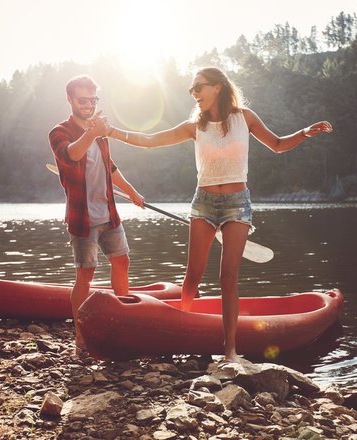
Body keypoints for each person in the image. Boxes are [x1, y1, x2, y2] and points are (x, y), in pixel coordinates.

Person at [103, 67, 333, 362]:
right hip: (204, 203)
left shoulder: (245, 118)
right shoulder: (193, 126)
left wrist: (303, 133)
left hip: (238, 203)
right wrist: (111, 131)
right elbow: (150, 140)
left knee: (228, 278)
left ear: (218, 88)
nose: (194, 93)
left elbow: (276, 145)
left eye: (199, 87)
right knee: (193, 276)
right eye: (191, 90)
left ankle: (230, 350)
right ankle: (180, 332)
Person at [48, 74, 144, 352]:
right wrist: (92, 131)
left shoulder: (98, 132)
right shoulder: (59, 132)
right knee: (85, 274)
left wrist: (133, 191)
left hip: (108, 211)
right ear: (70, 100)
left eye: (93, 100)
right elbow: (71, 155)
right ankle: (81, 333)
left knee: (122, 262)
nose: (88, 105)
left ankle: (123, 321)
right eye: (83, 100)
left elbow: (110, 167)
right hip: (83, 217)